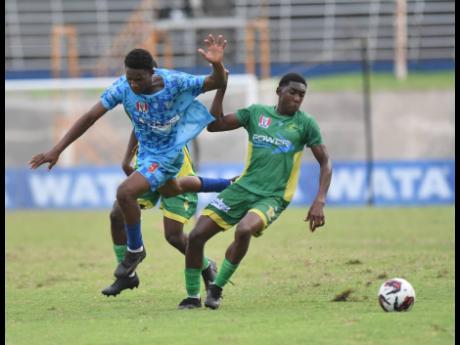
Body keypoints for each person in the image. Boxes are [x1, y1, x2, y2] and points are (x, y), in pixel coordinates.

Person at [29, 34, 229, 280]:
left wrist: (216, 64)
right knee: (134, 211)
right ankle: (140, 274)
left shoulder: (175, 82)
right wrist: (57, 149)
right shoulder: (123, 88)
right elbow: (91, 117)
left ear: (152, 72)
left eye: (139, 79)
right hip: (145, 156)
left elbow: (217, 80)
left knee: (126, 193)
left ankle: (135, 251)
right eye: (129, 78)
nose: (133, 84)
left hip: (168, 156)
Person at [177, 72, 333, 309]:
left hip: (273, 196)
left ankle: (216, 289)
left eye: (302, 95)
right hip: (242, 188)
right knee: (197, 236)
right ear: (279, 90)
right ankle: (191, 297)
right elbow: (215, 126)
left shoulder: (305, 124)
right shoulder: (256, 113)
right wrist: (221, 88)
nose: (297, 98)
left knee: (244, 230)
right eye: (293, 92)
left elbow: (325, 162)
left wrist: (320, 199)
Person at [101, 130, 217, 296]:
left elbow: (193, 129)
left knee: (174, 236)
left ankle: (206, 268)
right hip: (148, 166)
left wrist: (196, 160)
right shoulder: (139, 105)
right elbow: (138, 124)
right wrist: (127, 158)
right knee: (117, 214)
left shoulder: (175, 105)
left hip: (176, 173)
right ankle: (127, 275)